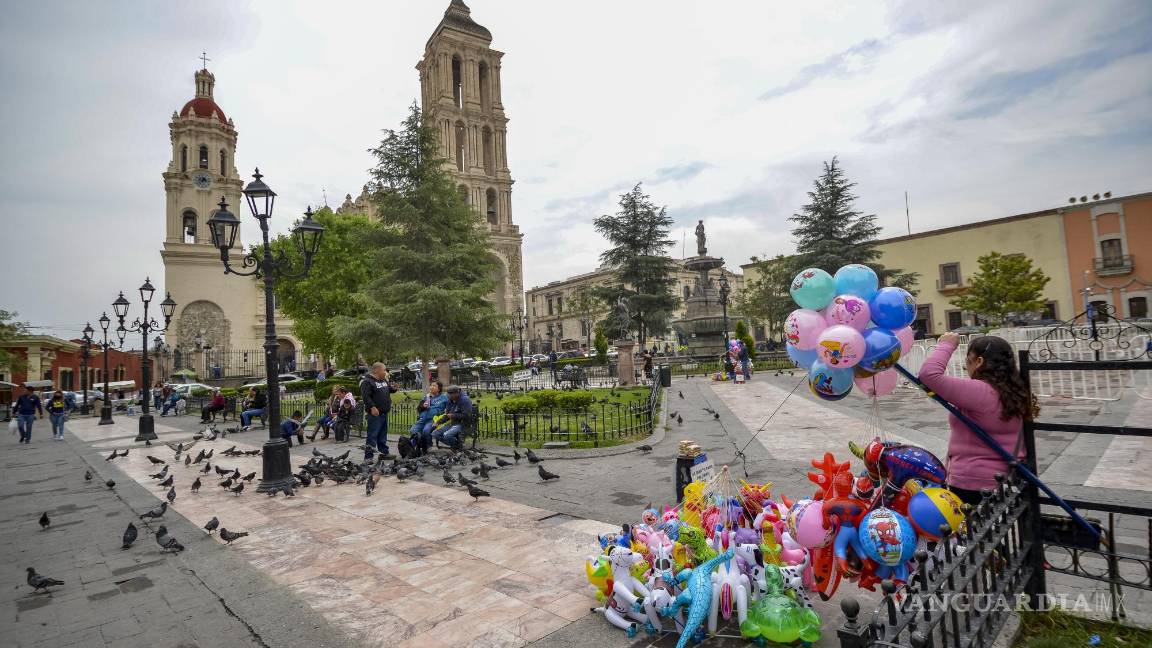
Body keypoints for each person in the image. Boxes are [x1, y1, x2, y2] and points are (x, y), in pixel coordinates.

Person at [919, 333, 1037, 506]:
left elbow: (928, 375)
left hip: (971, 483)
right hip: (1005, 480)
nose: (966, 366)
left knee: (966, 531)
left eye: (968, 360)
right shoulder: (1016, 390)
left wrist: (946, 345)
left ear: (979, 362)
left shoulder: (981, 391)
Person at [360, 362, 397, 460]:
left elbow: (389, 389)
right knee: (372, 435)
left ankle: (384, 453)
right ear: (377, 370)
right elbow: (366, 397)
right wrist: (372, 407)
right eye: (384, 370)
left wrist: (394, 388)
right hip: (375, 413)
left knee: (382, 435)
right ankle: (368, 457)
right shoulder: (367, 382)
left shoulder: (383, 380)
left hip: (384, 412)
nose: (385, 372)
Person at [410, 381, 448, 454]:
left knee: (426, 431)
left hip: (433, 420)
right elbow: (419, 409)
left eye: (434, 386)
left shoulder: (444, 398)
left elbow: (449, 408)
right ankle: (420, 445)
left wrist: (441, 419)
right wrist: (422, 406)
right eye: (431, 385)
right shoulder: (427, 397)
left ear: (439, 388)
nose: (431, 387)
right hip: (422, 419)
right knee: (413, 430)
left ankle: (429, 446)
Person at [432, 385, 473, 451]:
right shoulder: (450, 400)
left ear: (456, 393)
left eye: (451, 395)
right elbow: (447, 415)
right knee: (435, 434)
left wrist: (453, 415)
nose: (449, 396)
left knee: (447, 435)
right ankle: (456, 444)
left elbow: (467, 415)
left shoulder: (465, 400)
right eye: (448, 394)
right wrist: (438, 422)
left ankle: (455, 446)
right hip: (453, 423)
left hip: (463, 424)